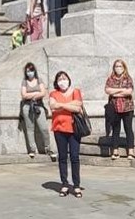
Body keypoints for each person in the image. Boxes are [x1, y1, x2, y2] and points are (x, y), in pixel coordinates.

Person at [50, 70, 84, 198]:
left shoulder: (76, 91)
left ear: (69, 80)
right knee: (62, 157)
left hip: (74, 129)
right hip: (59, 129)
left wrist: (61, 105)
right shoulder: (53, 93)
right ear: (56, 82)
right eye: (59, 79)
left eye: (64, 78)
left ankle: (76, 185)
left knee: (75, 157)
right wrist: (70, 105)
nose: (62, 81)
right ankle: (64, 183)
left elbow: (78, 107)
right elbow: (53, 107)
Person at [19, 63, 52, 160]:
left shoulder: (39, 80)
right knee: (30, 129)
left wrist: (31, 95)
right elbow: (24, 95)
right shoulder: (24, 81)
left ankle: (48, 148)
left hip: (38, 106)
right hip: (27, 107)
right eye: (28, 70)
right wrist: (36, 94)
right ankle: (32, 149)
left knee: (44, 128)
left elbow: (44, 93)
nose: (30, 72)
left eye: (31, 70)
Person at [104, 59, 135, 160]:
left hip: (127, 108)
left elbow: (129, 91)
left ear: (124, 67)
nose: (118, 68)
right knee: (115, 129)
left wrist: (115, 93)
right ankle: (115, 151)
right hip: (114, 108)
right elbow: (108, 90)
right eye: (116, 66)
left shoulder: (128, 78)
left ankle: (130, 151)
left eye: (120, 66)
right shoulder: (111, 79)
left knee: (128, 129)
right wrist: (121, 90)